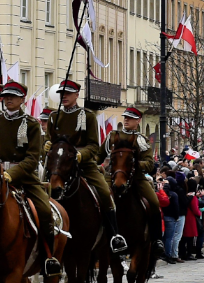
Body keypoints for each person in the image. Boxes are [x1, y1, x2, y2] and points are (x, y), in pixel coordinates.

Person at [0, 80, 60, 275]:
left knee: (45, 210)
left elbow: (32, 158)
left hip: (23, 177)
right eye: (6, 96)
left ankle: (48, 257)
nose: (8, 99)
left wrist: (11, 174)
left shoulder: (31, 124)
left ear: (22, 99)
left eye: (13, 97)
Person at [46, 79, 126, 253]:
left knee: (105, 193)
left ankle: (114, 236)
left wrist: (81, 155)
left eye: (68, 94)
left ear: (76, 95)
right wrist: (46, 146)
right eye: (62, 94)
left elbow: (93, 145)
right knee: (40, 190)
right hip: (59, 165)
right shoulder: (54, 116)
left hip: (83, 164)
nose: (64, 97)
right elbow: (49, 140)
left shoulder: (87, 116)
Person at [116, 107, 164, 246]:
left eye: (130, 118)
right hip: (114, 176)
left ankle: (156, 239)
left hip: (136, 178)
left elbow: (149, 164)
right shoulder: (113, 136)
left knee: (154, 202)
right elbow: (99, 155)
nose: (126, 120)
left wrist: (134, 164)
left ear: (138, 121)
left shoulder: (141, 140)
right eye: (125, 117)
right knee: (102, 199)